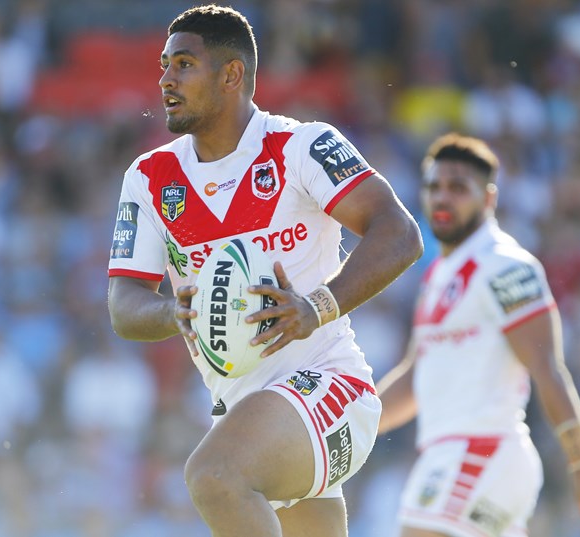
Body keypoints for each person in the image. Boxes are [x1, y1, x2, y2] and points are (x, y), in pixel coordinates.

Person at [106, 5, 424, 537]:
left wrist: (315, 307)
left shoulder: (302, 146)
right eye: (164, 65)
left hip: (329, 387)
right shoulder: (148, 178)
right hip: (247, 412)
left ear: (232, 75)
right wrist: (173, 312)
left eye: (184, 64)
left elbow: (400, 233)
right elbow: (123, 305)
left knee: (215, 475)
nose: (165, 79)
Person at [376, 133, 580, 537]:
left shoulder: (505, 266)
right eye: (434, 187)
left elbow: (546, 366)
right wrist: (355, 423)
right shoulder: (437, 275)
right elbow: (417, 374)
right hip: (449, 453)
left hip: (483, 449)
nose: (442, 198)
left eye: (458, 188)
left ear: (489, 198)